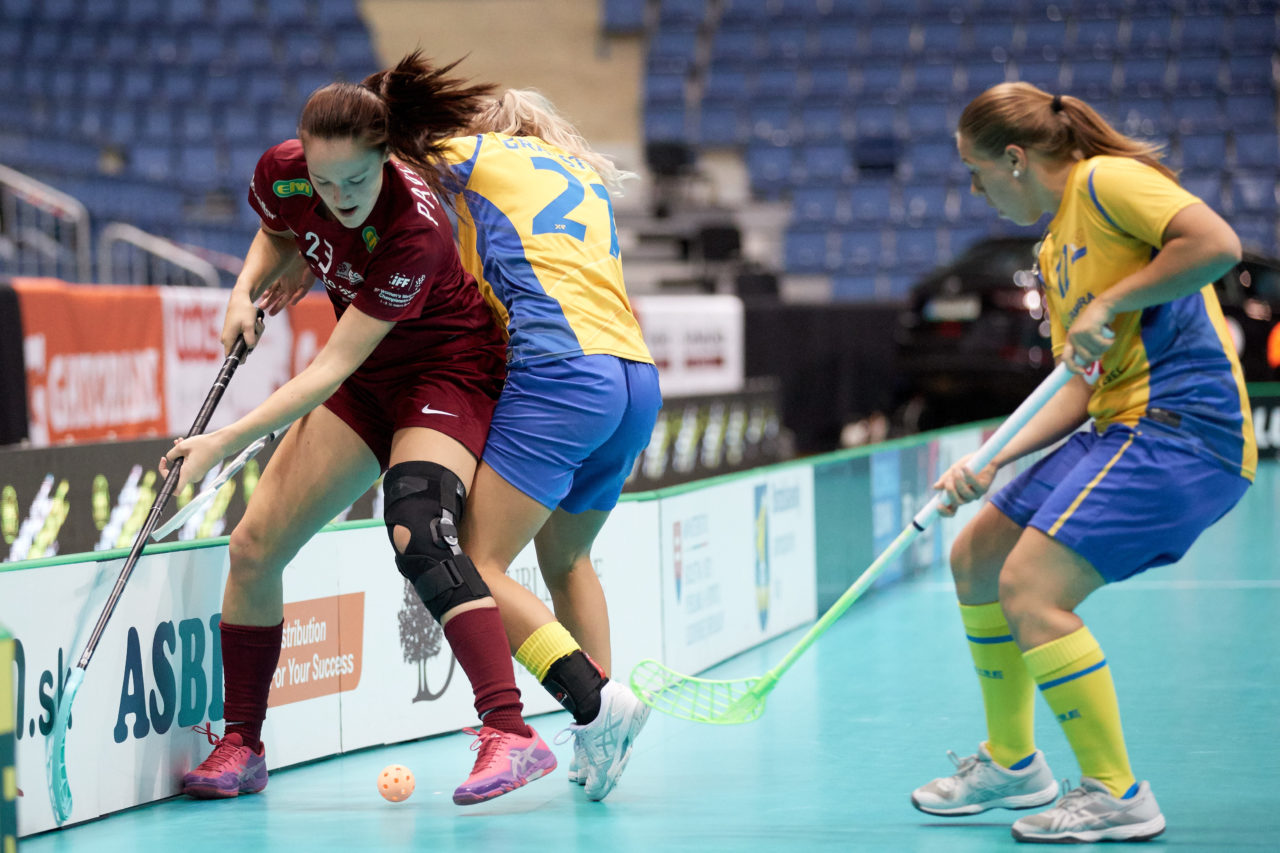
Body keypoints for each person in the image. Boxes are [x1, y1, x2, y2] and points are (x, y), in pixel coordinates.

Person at [161, 53, 557, 806]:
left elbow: (328, 369)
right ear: (302, 155)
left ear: (387, 159)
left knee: (420, 526)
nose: (338, 198)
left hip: (447, 369)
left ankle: (511, 731)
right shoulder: (285, 170)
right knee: (253, 545)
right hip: (372, 376)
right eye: (324, 180)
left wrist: (223, 441)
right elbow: (280, 227)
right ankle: (241, 741)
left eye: (356, 182)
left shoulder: (415, 228)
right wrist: (244, 290)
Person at [910, 82, 1255, 844]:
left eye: (976, 171)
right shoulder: (1052, 248)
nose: (974, 189)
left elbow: (1216, 245)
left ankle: (1116, 791)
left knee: (1031, 588)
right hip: (1116, 420)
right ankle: (1011, 762)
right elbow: (1080, 381)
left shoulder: (1105, 182)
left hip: (1182, 425)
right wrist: (990, 459)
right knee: (977, 555)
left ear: (1015, 157)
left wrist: (1111, 303)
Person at [439, 90, 663, 802]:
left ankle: (594, 698)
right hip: (634, 378)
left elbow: (389, 153)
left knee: (475, 562)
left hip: (563, 375)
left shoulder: (476, 157)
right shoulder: (576, 174)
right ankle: (602, 743)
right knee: (567, 558)